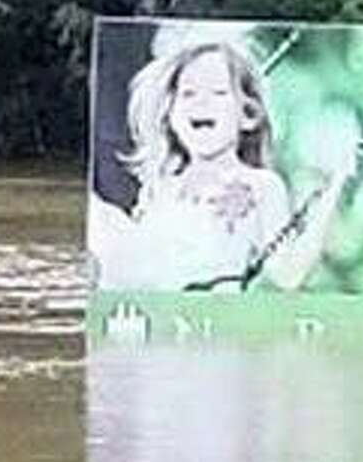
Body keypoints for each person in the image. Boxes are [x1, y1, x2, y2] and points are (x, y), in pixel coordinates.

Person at [89, 28, 346, 293]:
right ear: (170, 116)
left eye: (219, 92)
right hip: (147, 290)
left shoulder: (260, 185)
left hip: (203, 303)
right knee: (100, 219)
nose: (202, 103)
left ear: (248, 115)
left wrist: (331, 189)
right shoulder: (163, 186)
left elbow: (289, 275)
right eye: (188, 94)